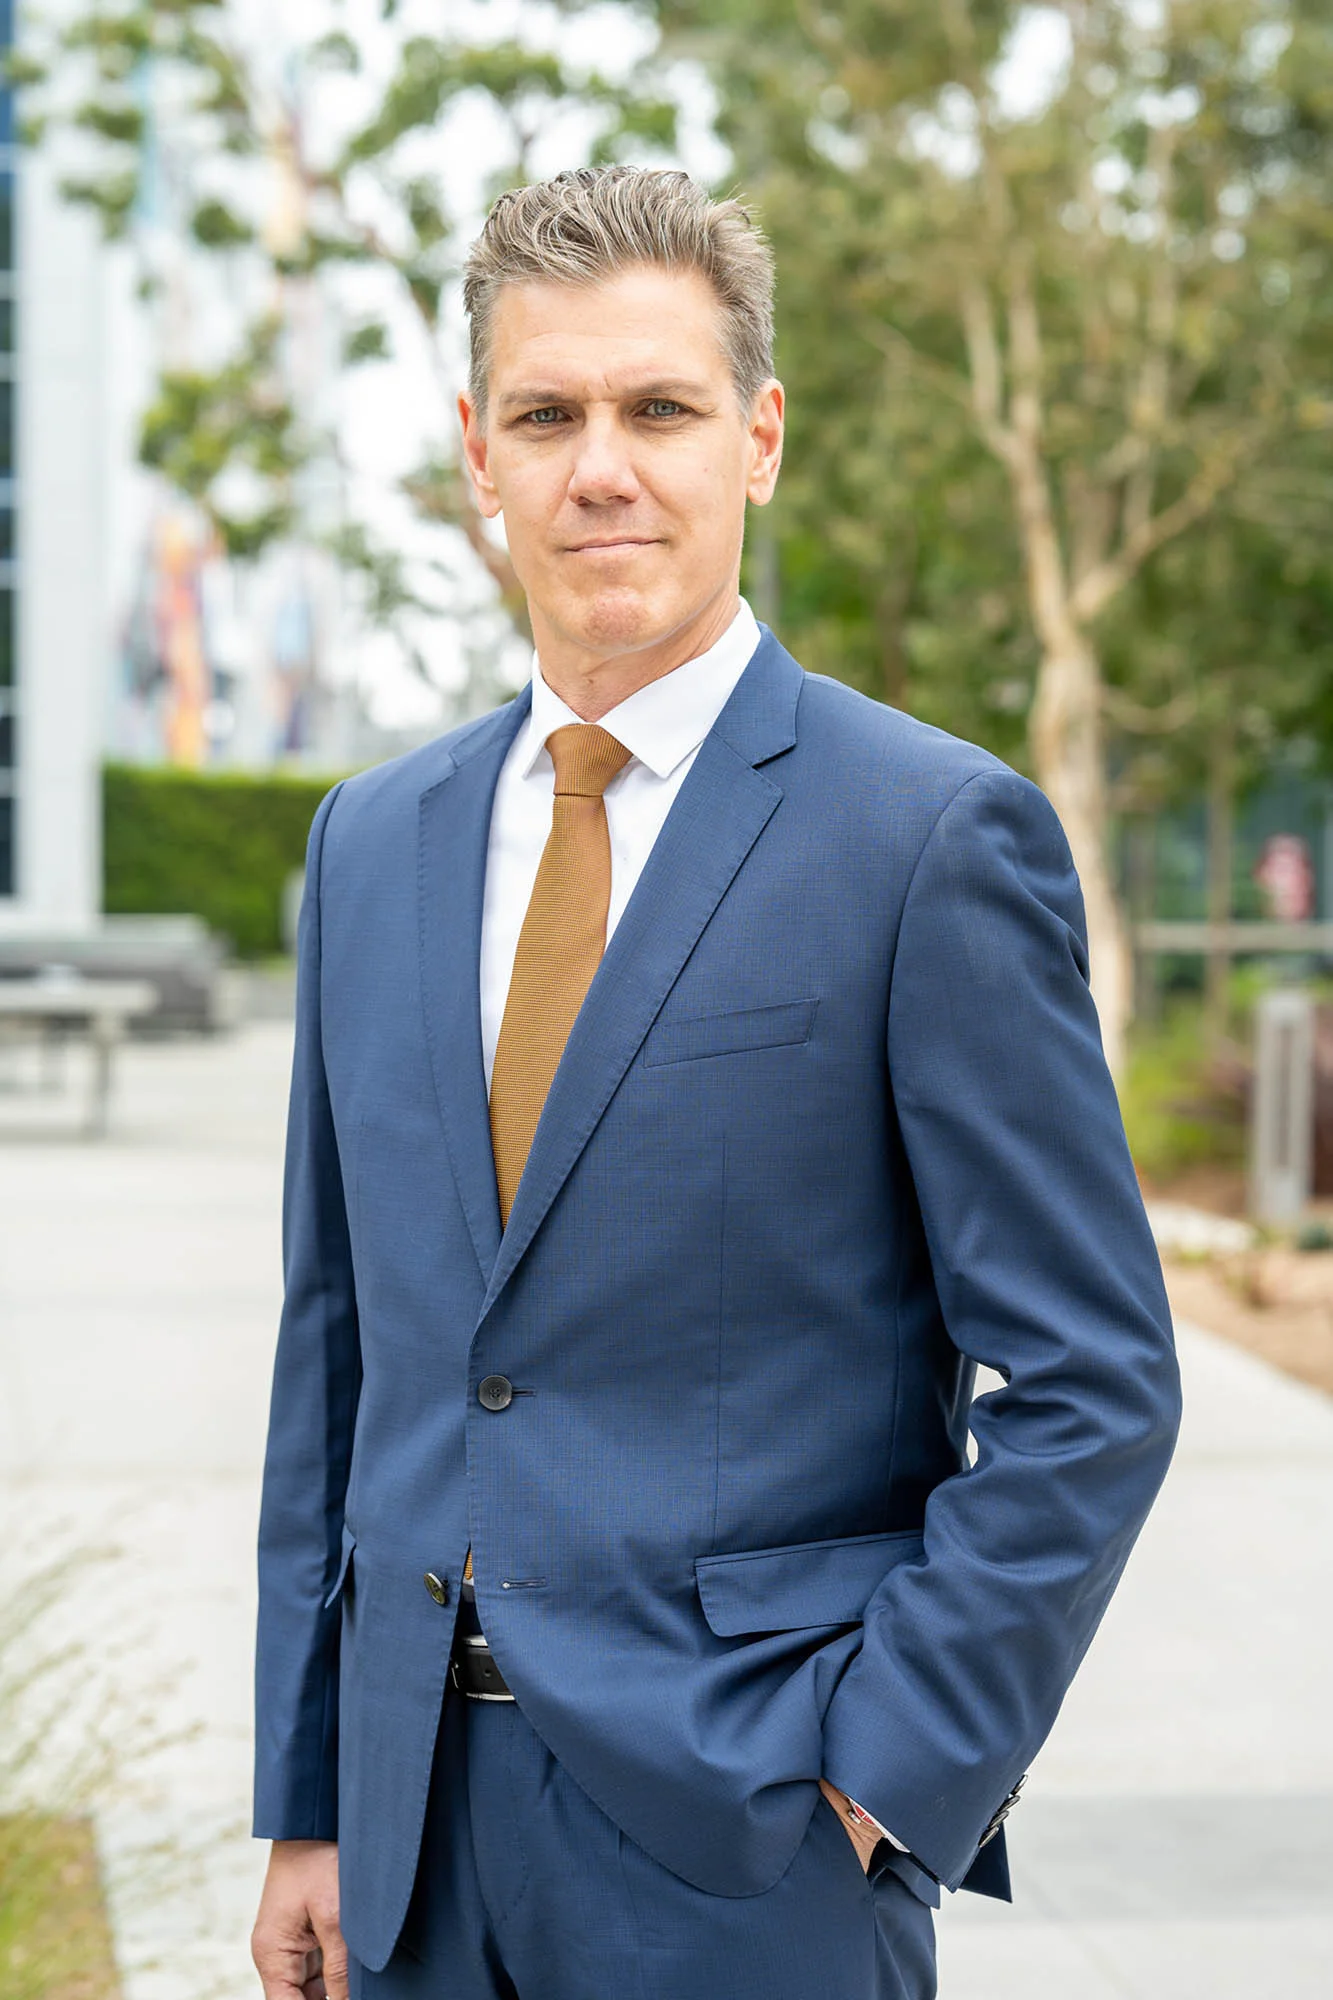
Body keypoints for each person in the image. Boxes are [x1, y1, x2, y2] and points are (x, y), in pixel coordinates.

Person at [250, 166, 1180, 2000]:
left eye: (659, 409)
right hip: (407, 1850)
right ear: (479, 455)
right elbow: (335, 1358)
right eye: (547, 415)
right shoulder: (369, 843)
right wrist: (308, 1791)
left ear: (757, 439)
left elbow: (1096, 1381)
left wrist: (888, 1772)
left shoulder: (928, 836)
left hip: (755, 1851)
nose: (601, 467)